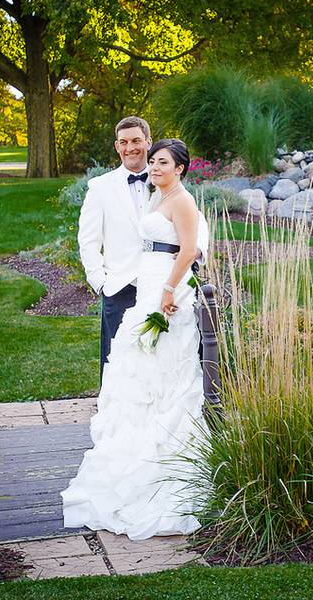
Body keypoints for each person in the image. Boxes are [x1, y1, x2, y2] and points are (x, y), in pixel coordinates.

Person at [61, 138, 207, 539]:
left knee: (166, 371)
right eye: (153, 161)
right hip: (146, 284)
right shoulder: (158, 197)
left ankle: (165, 461)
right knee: (136, 366)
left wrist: (167, 292)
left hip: (167, 290)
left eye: (162, 162)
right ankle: (133, 447)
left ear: (180, 168)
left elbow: (190, 249)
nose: (154, 167)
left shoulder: (183, 201)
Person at [76, 116, 208, 379]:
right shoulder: (100, 188)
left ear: (148, 141)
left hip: (164, 282)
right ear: (116, 146)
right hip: (120, 284)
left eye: (136, 140)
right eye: (123, 142)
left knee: (165, 357)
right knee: (120, 364)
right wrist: (100, 281)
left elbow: (197, 223)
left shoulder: (166, 177)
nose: (130, 148)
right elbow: (88, 240)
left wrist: (193, 255)